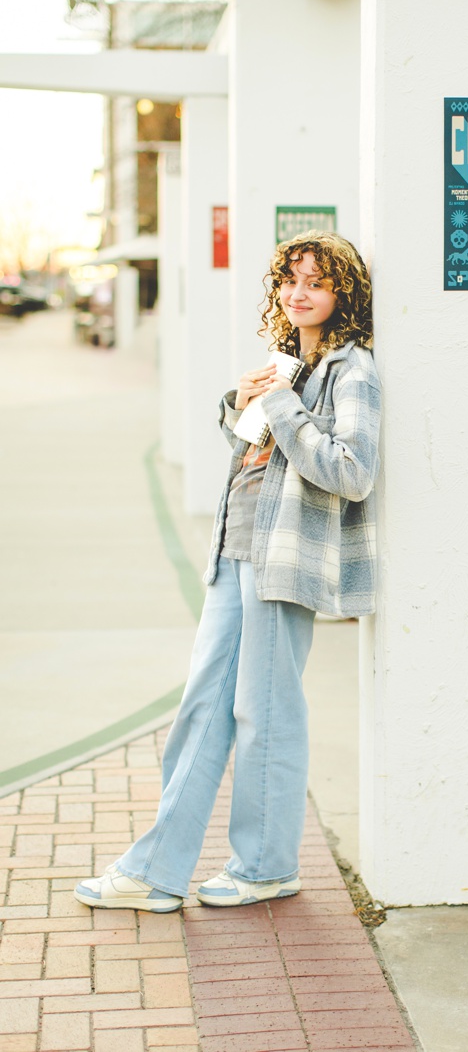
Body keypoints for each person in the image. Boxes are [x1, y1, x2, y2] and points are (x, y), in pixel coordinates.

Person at [76, 231, 381, 913]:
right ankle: (156, 871)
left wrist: (282, 405)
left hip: (283, 558)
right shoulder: (291, 361)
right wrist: (238, 406)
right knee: (203, 709)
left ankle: (266, 864)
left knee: (264, 712)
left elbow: (353, 471)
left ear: (345, 294)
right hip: (236, 544)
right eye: (291, 279)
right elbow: (258, 455)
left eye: (317, 282)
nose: (299, 293)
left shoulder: (351, 369)